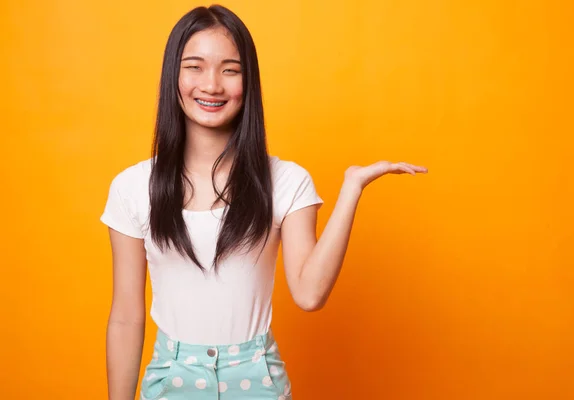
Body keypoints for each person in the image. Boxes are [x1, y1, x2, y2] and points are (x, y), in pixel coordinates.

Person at [100, 4, 427, 400]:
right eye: (195, 67)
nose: (212, 85)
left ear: (248, 82)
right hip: (171, 383)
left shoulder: (287, 181)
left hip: (258, 382)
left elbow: (309, 294)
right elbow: (126, 317)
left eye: (230, 69)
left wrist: (351, 188)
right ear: (174, 75)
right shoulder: (132, 187)